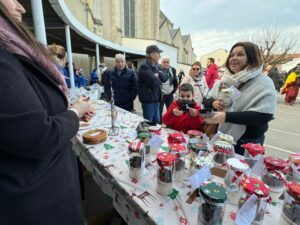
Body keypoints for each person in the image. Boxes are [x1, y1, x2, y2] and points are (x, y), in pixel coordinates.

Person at [0, 1, 94, 225]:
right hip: (37, 202)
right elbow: (38, 135)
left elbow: (31, 109)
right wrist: (74, 112)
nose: (21, 7)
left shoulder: (10, 51)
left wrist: (72, 113)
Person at [203, 42, 276, 155]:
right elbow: (206, 100)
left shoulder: (263, 82)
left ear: (252, 58)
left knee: (240, 172)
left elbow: (263, 116)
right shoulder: (226, 80)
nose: (234, 58)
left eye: (240, 54)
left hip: (247, 143)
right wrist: (213, 103)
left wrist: (226, 117)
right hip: (221, 137)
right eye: (232, 55)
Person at [137, 45, 168, 123]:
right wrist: (158, 77)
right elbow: (154, 83)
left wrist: (157, 74)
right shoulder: (144, 67)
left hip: (156, 99)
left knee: (156, 121)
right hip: (148, 100)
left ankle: (154, 135)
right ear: (152, 55)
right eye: (158, 53)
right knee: (149, 123)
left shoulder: (156, 66)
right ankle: (147, 135)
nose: (160, 56)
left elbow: (165, 78)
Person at [159, 56, 178, 120]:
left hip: (169, 94)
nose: (166, 64)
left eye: (167, 62)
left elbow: (175, 81)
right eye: (164, 62)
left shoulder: (172, 70)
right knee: (159, 111)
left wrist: (173, 91)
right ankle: (159, 124)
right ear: (161, 62)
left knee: (170, 111)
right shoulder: (157, 69)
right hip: (160, 95)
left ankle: (169, 125)